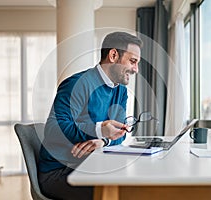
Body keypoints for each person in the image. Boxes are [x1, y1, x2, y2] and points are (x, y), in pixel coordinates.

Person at [38, 31, 142, 200]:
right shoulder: (77, 83)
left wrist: (103, 140)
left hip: (91, 163)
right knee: (124, 193)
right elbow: (53, 128)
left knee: (135, 184)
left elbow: (120, 133)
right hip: (60, 172)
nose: (136, 69)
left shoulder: (121, 91)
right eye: (132, 61)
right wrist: (99, 129)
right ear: (114, 55)